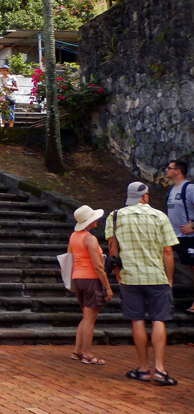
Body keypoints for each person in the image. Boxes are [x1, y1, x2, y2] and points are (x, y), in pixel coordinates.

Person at [105, 182, 179, 386]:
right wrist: (169, 278)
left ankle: (144, 368)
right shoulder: (160, 216)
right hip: (156, 276)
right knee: (159, 320)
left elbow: (113, 250)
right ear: (145, 196)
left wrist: (119, 276)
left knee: (137, 321)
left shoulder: (116, 216)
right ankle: (160, 369)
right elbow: (168, 251)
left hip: (130, 277)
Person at [68, 205, 112, 365]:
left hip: (78, 277)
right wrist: (107, 286)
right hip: (90, 279)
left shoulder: (74, 236)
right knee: (90, 319)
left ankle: (78, 350)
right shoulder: (89, 239)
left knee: (85, 317)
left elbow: (71, 256)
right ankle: (87, 354)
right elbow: (98, 266)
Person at [164, 159, 194, 314]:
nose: (166, 170)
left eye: (169, 168)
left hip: (188, 236)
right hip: (173, 236)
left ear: (178, 171)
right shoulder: (173, 189)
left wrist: (192, 226)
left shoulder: (189, 188)